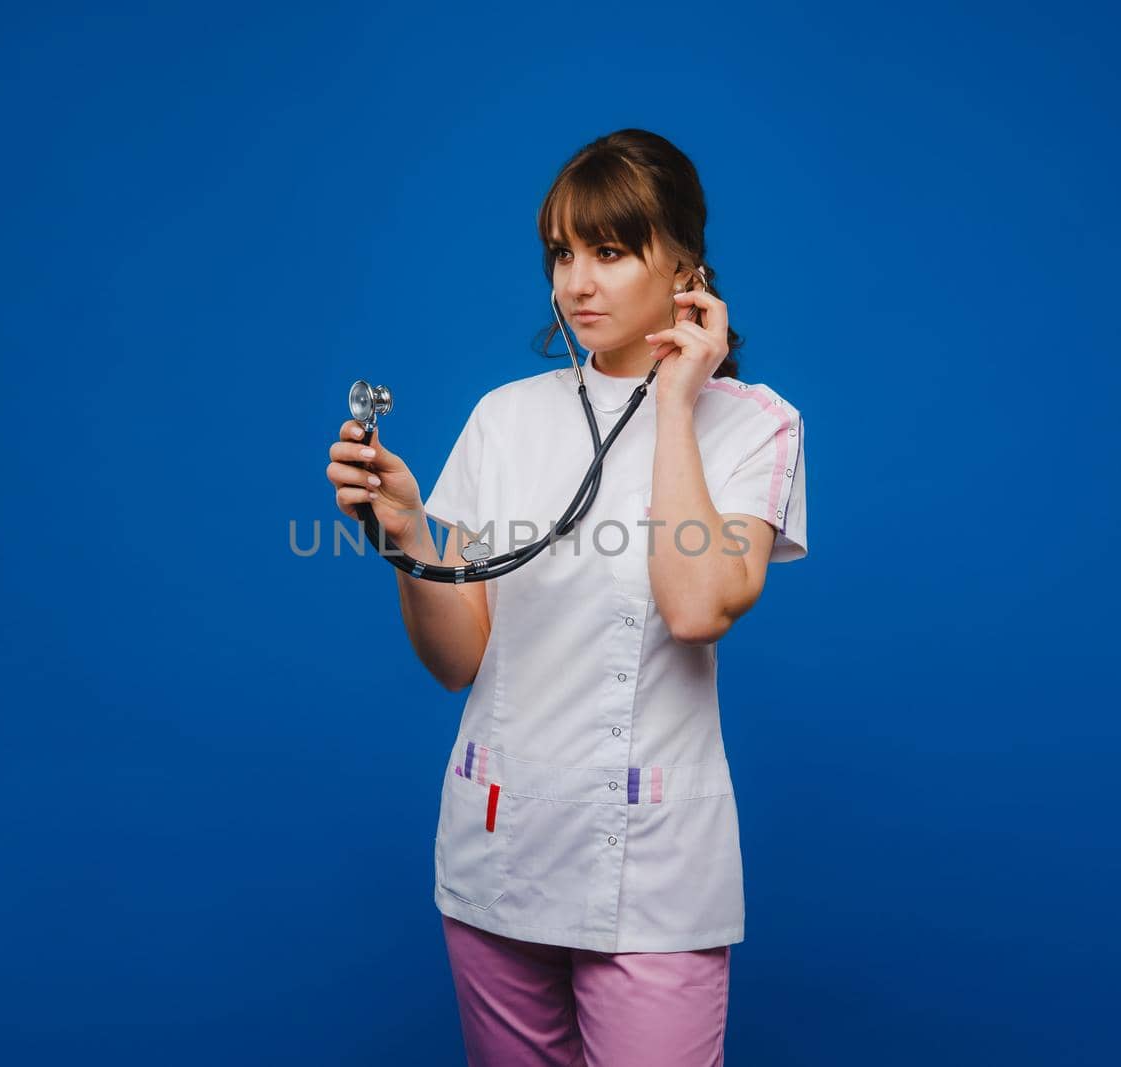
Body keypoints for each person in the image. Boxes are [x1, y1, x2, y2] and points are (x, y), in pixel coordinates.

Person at [325, 129, 808, 1066]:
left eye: (612, 252)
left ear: (685, 265)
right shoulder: (505, 418)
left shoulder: (756, 424)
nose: (578, 283)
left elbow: (697, 606)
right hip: (498, 849)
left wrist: (676, 400)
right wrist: (408, 538)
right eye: (562, 253)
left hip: (654, 869)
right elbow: (457, 658)